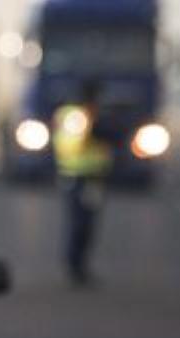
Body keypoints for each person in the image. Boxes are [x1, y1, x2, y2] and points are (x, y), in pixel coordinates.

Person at [51, 80, 114, 284]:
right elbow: (72, 145)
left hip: (94, 178)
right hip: (76, 176)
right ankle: (74, 266)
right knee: (78, 223)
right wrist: (92, 125)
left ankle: (80, 265)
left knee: (88, 225)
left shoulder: (92, 116)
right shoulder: (75, 117)